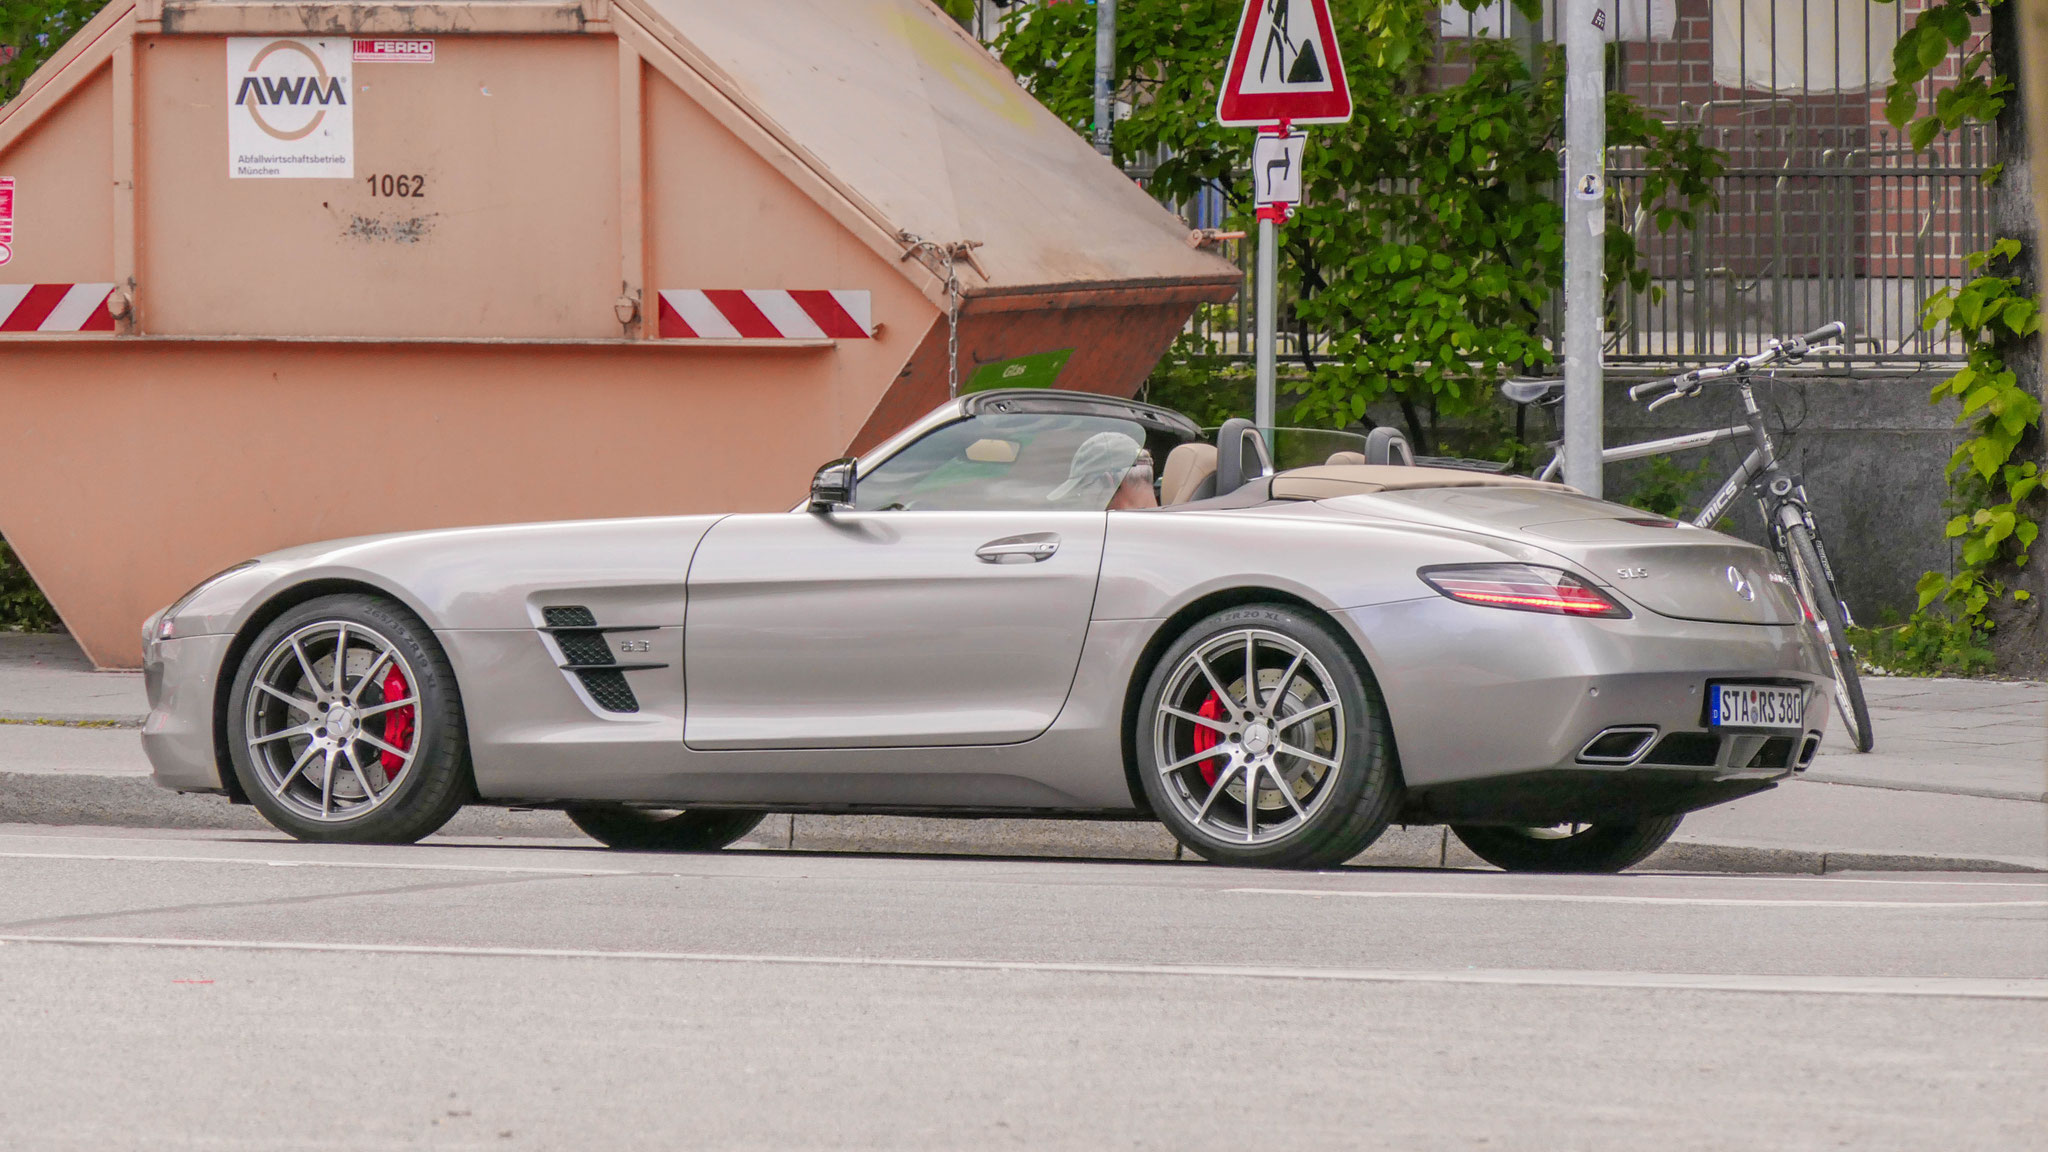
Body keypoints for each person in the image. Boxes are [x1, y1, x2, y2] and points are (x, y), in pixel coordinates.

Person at [1047, 432, 1156, 510]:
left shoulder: (1112, 535)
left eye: (1082, 492)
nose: (1081, 501)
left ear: (1110, 483)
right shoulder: (1169, 530)